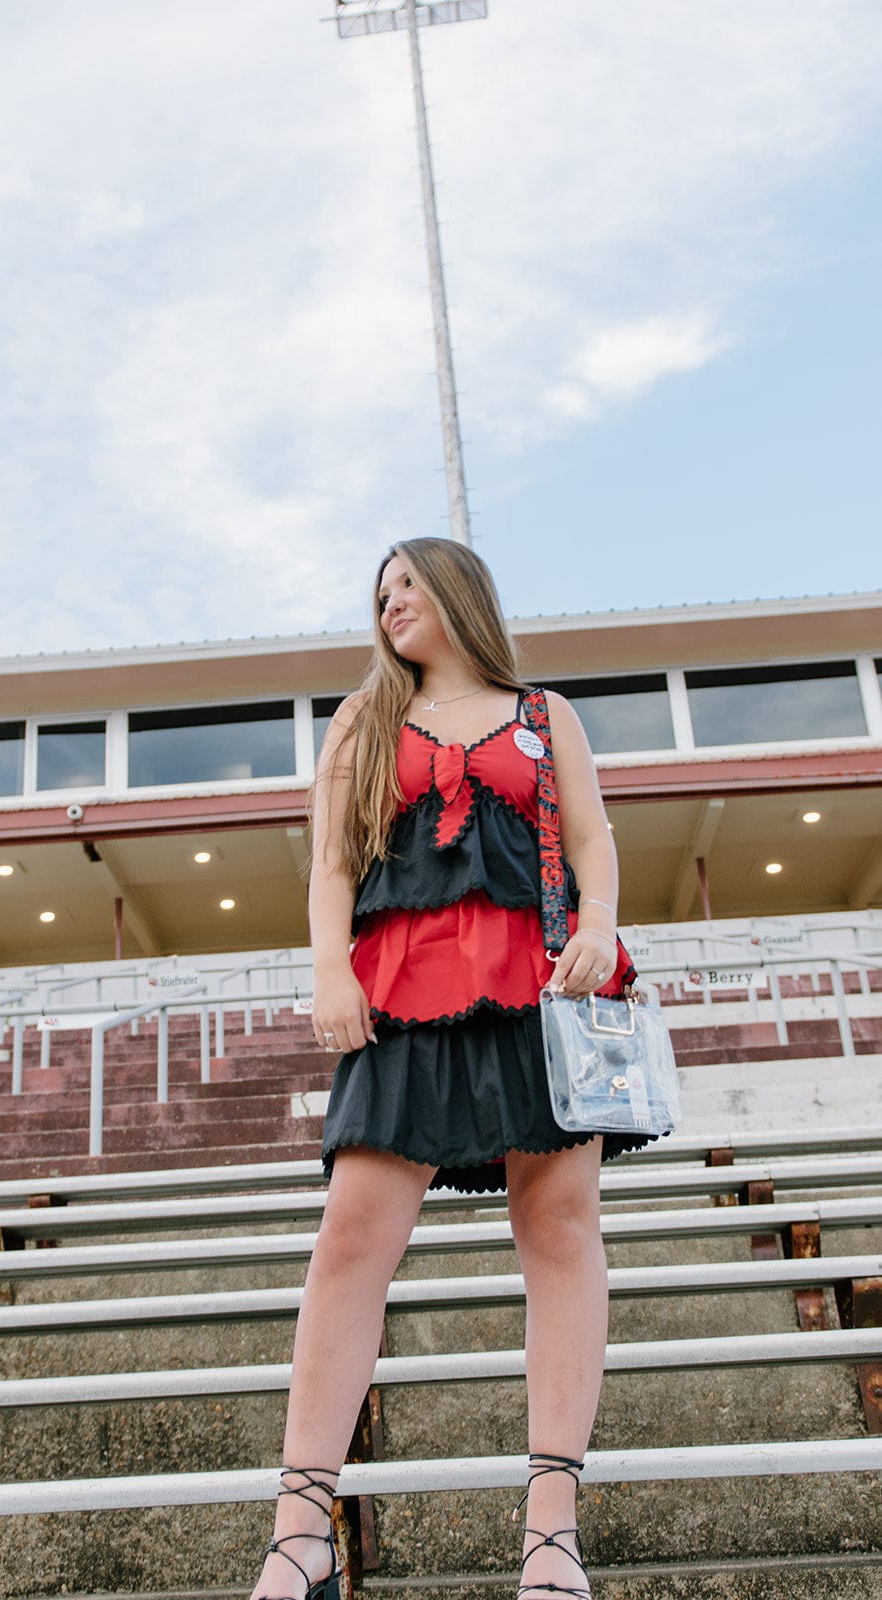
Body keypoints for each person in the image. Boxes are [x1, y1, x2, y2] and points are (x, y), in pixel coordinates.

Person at [250, 538, 648, 1600]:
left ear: (458, 594)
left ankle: (551, 1528)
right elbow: (332, 862)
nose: (389, 606)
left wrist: (601, 924)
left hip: (541, 984)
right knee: (349, 1240)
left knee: (557, 1230)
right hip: (399, 990)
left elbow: (590, 836)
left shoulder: (542, 712)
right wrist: (330, 970)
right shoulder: (361, 719)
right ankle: (298, 1535)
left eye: (407, 586)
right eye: (378, 596)